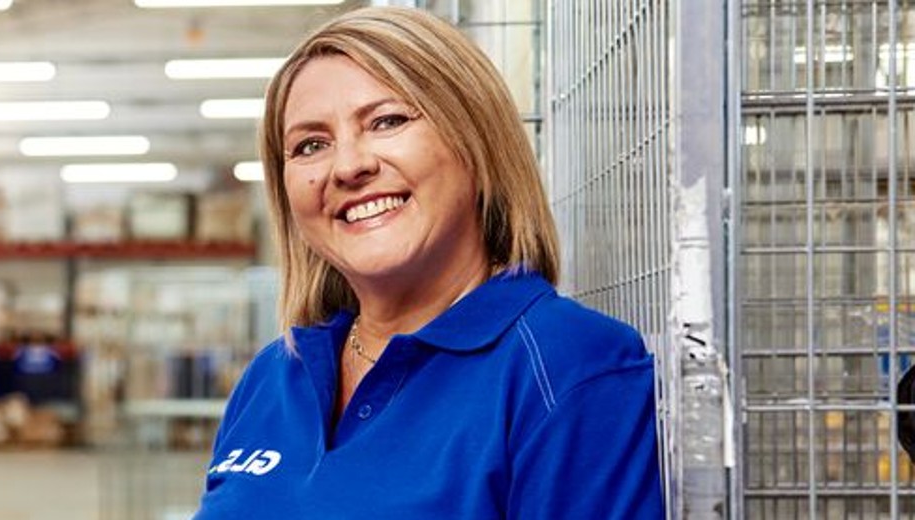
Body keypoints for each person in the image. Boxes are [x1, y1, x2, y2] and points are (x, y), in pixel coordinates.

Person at [193, 6, 663, 518]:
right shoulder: (274, 376)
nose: (348, 166)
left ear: (476, 140)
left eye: (387, 121)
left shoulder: (569, 365)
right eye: (310, 145)